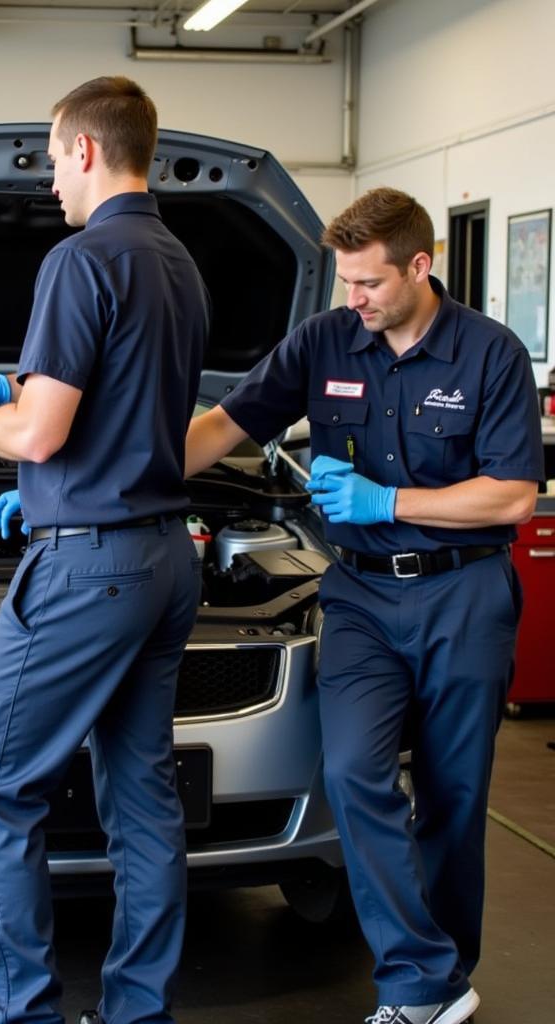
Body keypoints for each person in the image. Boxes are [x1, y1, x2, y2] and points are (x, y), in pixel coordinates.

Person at [185, 187, 543, 1024]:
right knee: (352, 772)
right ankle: (422, 975)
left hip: (465, 593)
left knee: (455, 794)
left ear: (420, 266)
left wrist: (390, 503)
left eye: (368, 284)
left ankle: (437, 984)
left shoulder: (490, 354)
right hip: (360, 599)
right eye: (345, 283)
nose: (354, 301)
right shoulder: (324, 341)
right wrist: (90, 478)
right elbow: (221, 428)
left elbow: (513, 497)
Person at [0, 77, 209, 1024]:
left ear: (85, 149)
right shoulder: (178, 263)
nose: (48, 181)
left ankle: (19, 1013)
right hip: (164, 557)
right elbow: (123, 396)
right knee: (142, 798)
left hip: (90, 566)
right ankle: (138, 1011)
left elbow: (40, 435)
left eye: (51, 158)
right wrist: (35, 467)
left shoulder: (79, 261)